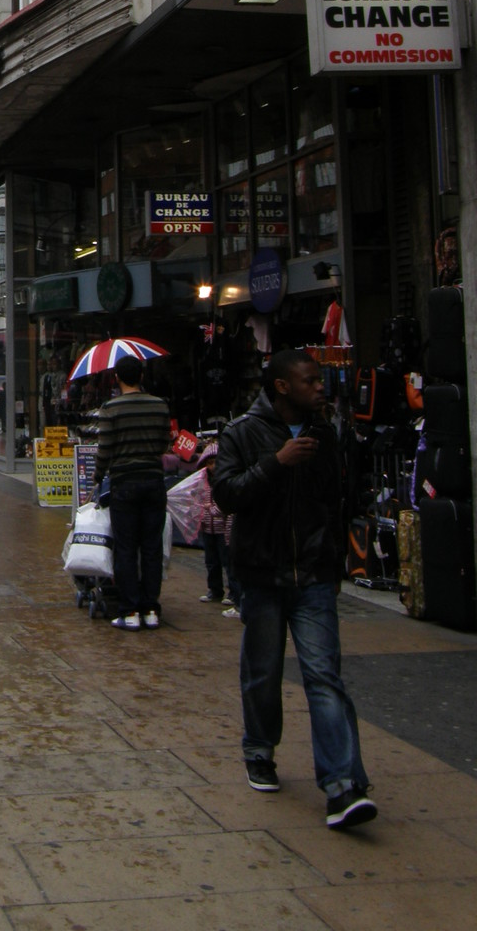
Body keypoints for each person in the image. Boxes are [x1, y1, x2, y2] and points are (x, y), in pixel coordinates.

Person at [213, 348, 376, 830]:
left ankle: (341, 784)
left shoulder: (328, 432)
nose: (320, 387)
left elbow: (337, 498)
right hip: (262, 574)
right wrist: (276, 463)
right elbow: (226, 494)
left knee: (324, 677)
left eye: (319, 379)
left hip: (314, 575)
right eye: (309, 380)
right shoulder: (242, 432)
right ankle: (260, 751)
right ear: (282, 386)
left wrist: (336, 559)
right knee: (262, 672)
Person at [93, 354, 170, 632]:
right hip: (153, 481)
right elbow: (164, 443)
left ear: (117, 379)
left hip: (123, 482)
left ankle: (129, 610)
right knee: (151, 547)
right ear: (141, 376)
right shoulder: (160, 405)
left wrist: (97, 477)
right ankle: (151, 609)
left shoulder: (110, 409)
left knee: (125, 548)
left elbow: (105, 449)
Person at [196, 442, 241, 616]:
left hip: (224, 529)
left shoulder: (224, 480)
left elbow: (224, 505)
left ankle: (233, 592)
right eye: (210, 462)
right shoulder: (202, 481)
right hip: (208, 528)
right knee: (211, 561)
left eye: (216, 462)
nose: (213, 466)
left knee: (227, 562)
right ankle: (214, 589)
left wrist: (210, 509)